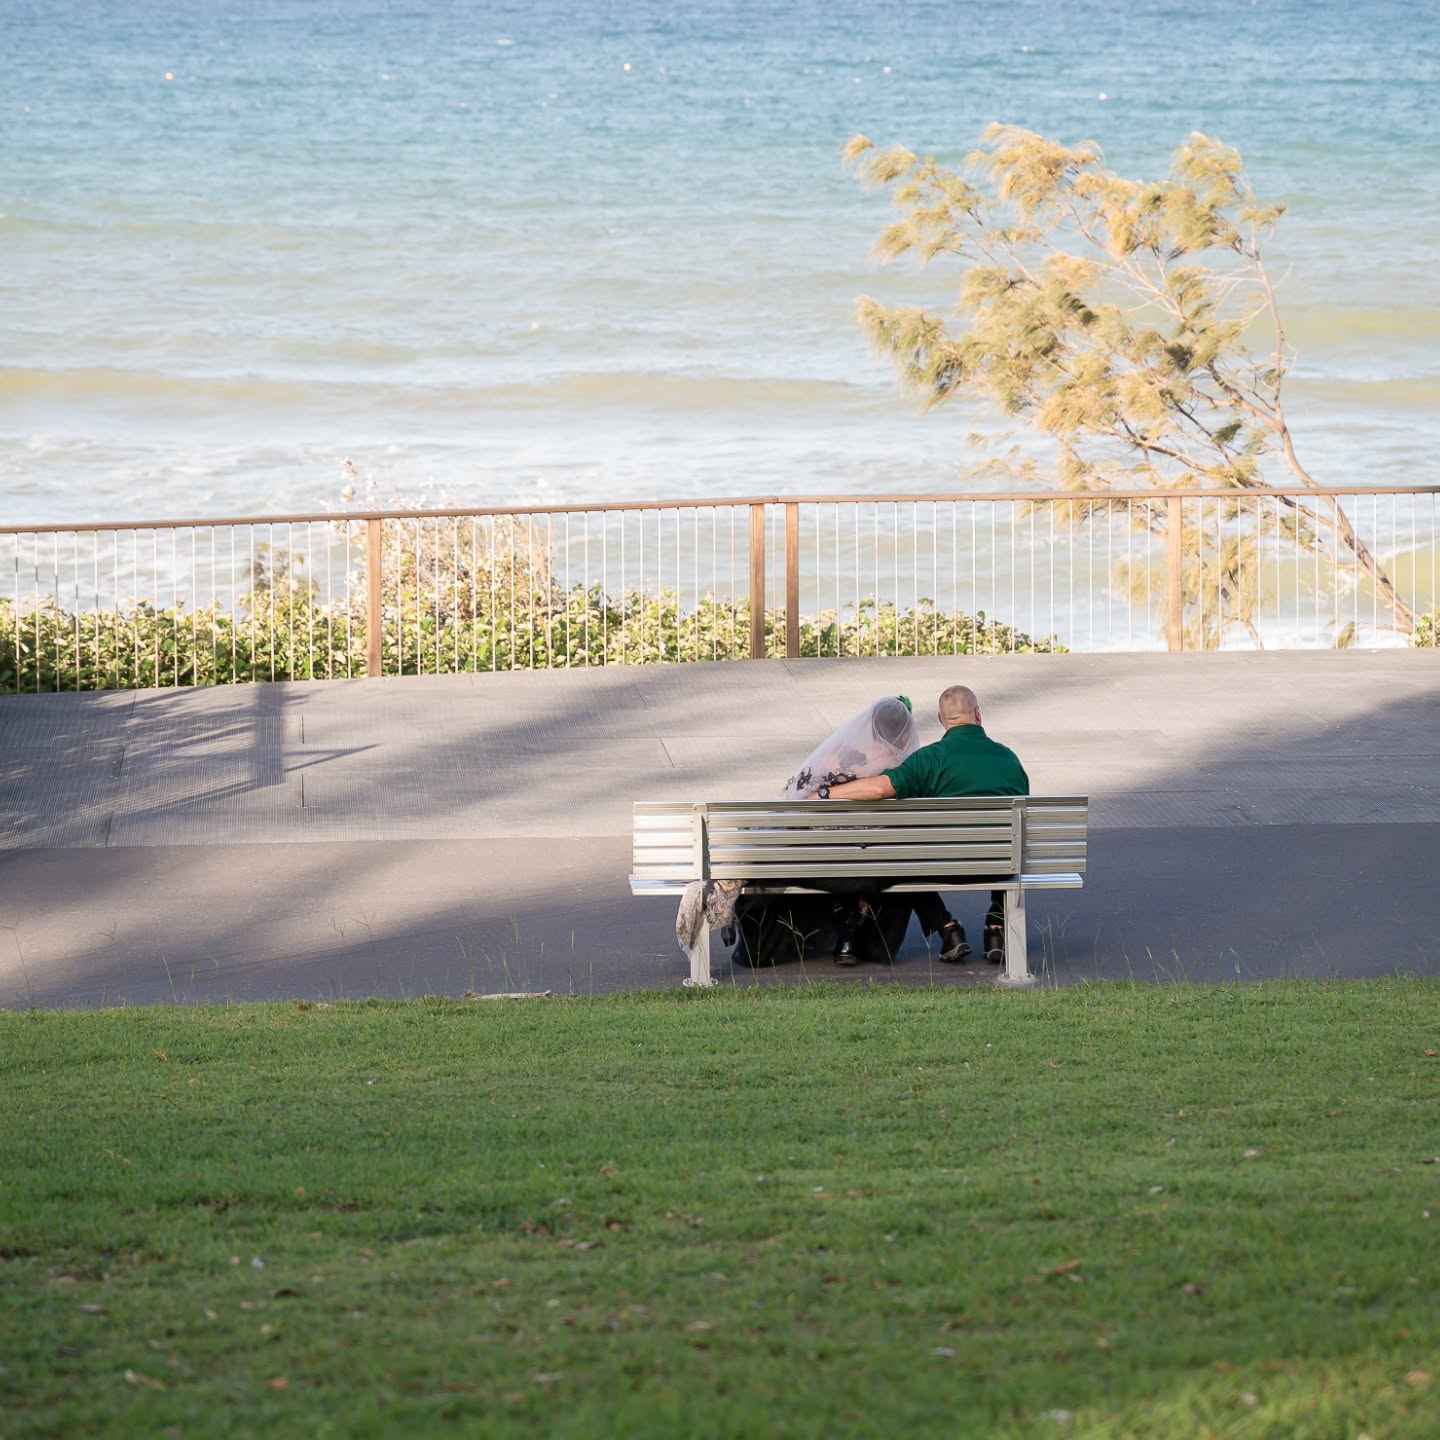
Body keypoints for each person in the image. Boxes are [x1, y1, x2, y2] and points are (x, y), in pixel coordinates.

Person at [808, 684, 1029, 966]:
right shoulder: (1009, 758)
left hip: (943, 865)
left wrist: (826, 793)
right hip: (1001, 864)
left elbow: (880, 789)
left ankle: (947, 928)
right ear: (977, 714)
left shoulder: (930, 758)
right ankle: (996, 926)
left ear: (941, 719)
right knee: (1005, 835)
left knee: (905, 858)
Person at [729, 695, 920, 969]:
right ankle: (852, 928)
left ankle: (833, 925)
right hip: (866, 865)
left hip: (817, 858)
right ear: (905, 735)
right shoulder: (902, 768)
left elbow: (794, 800)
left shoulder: (839, 755)